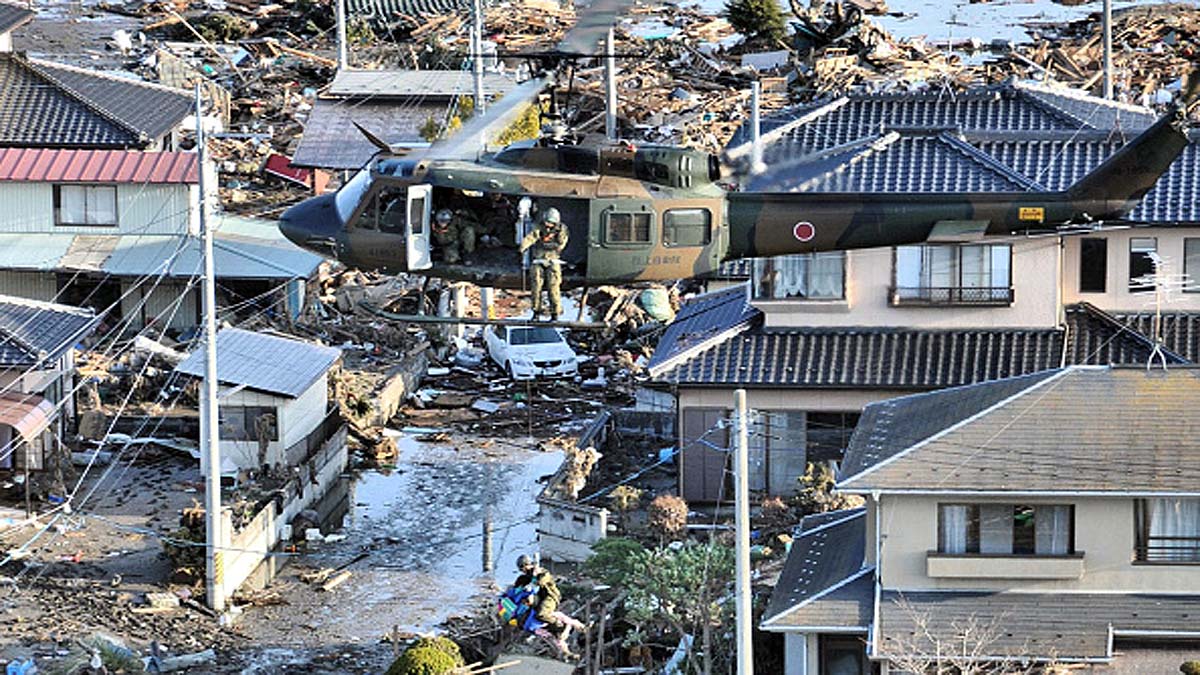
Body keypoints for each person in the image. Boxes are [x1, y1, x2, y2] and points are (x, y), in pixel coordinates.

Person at [510, 554, 584, 659]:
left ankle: (559, 624)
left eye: (524, 566)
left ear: (529, 564)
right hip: (537, 599)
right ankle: (566, 653)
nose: (523, 569)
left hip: (550, 597)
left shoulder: (542, 572)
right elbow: (516, 588)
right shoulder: (524, 577)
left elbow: (541, 581)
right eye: (521, 568)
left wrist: (534, 581)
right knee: (533, 625)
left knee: (542, 614)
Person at [519, 207, 569, 319]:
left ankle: (555, 313)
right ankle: (536, 312)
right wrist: (523, 247)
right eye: (546, 222)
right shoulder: (539, 227)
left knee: (554, 287)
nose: (547, 225)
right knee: (536, 286)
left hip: (553, 259)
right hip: (539, 258)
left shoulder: (561, 229)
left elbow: (560, 244)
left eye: (550, 223)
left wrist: (549, 239)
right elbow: (531, 237)